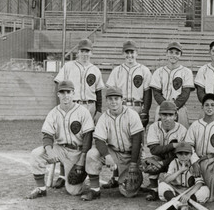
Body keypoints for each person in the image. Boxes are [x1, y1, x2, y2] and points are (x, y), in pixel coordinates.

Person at [26, 81, 94, 199]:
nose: (65, 95)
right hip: (61, 149)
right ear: (58, 94)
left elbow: (88, 137)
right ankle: (41, 189)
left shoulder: (83, 112)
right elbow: (47, 134)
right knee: (36, 154)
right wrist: (49, 150)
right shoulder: (53, 113)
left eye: (68, 92)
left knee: (74, 191)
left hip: (78, 152)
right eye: (62, 92)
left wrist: (81, 161)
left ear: (73, 93)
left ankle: (84, 173)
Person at [53, 38, 105, 189]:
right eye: (82, 51)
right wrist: (60, 106)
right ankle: (63, 175)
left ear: (91, 52)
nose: (84, 54)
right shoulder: (68, 66)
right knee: (67, 139)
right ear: (78, 52)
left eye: (87, 51)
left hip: (90, 106)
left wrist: (99, 110)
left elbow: (98, 91)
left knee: (87, 141)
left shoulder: (95, 69)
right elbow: (59, 85)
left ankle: (84, 172)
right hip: (72, 105)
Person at [102, 40, 152, 188]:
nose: (130, 55)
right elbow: (111, 91)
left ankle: (136, 177)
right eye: (127, 52)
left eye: (132, 52)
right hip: (121, 107)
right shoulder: (117, 70)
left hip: (137, 107)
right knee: (117, 141)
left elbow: (147, 92)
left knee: (137, 144)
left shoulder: (144, 70)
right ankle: (115, 177)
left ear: (137, 53)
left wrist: (145, 111)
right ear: (123, 53)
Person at [83, 86, 144, 200]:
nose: (113, 102)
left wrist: (133, 163)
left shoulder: (132, 114)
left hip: (130, 154)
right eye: (110, 99)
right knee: (92, 154)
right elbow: (99, 139)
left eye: (116, 98)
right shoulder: (104, 117)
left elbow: (137, 140)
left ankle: (125, 180)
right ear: (106, 101)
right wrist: (107, 156)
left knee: (128, 193)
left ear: (122, 100)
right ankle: (95, 190)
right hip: (113, 152)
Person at [141, 100, 188, 201]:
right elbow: (154, 150)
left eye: (170, 115)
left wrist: (164, 162)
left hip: (176, 161)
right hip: (159, 158)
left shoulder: (182, 130)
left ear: (175, 116)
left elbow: (180, 154)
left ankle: (176, 188)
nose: (167, 118)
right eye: (164, 115)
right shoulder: (153, 127)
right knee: (149, 164)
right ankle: (154, 189)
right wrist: (173, 145)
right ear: (160, 115)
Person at [150, 41, 194, 129]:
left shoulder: (186, 72)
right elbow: (156, 93)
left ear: (180, 55)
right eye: (171, 52)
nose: (173, 55)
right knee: (159, 135)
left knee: (181, 137)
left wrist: (173, 107)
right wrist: (166, 106)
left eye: (177, 53)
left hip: (180, 108)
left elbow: (185, 94)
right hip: (162, 107)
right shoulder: (159, 72)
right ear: (166, 53)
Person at [158, 142, 210, 210]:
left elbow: (199, 183)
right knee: (162, 185)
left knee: (205, 190)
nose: (183, 156)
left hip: (190, 192)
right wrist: (180, 170)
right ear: (176, 155)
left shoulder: (194, 165)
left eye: (186, 154)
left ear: (191, 154)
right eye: (180, 154)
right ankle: (181, 205)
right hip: (175, 192)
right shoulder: (174, 162)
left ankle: (176, 204)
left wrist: (188, 195)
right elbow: (167, 180)